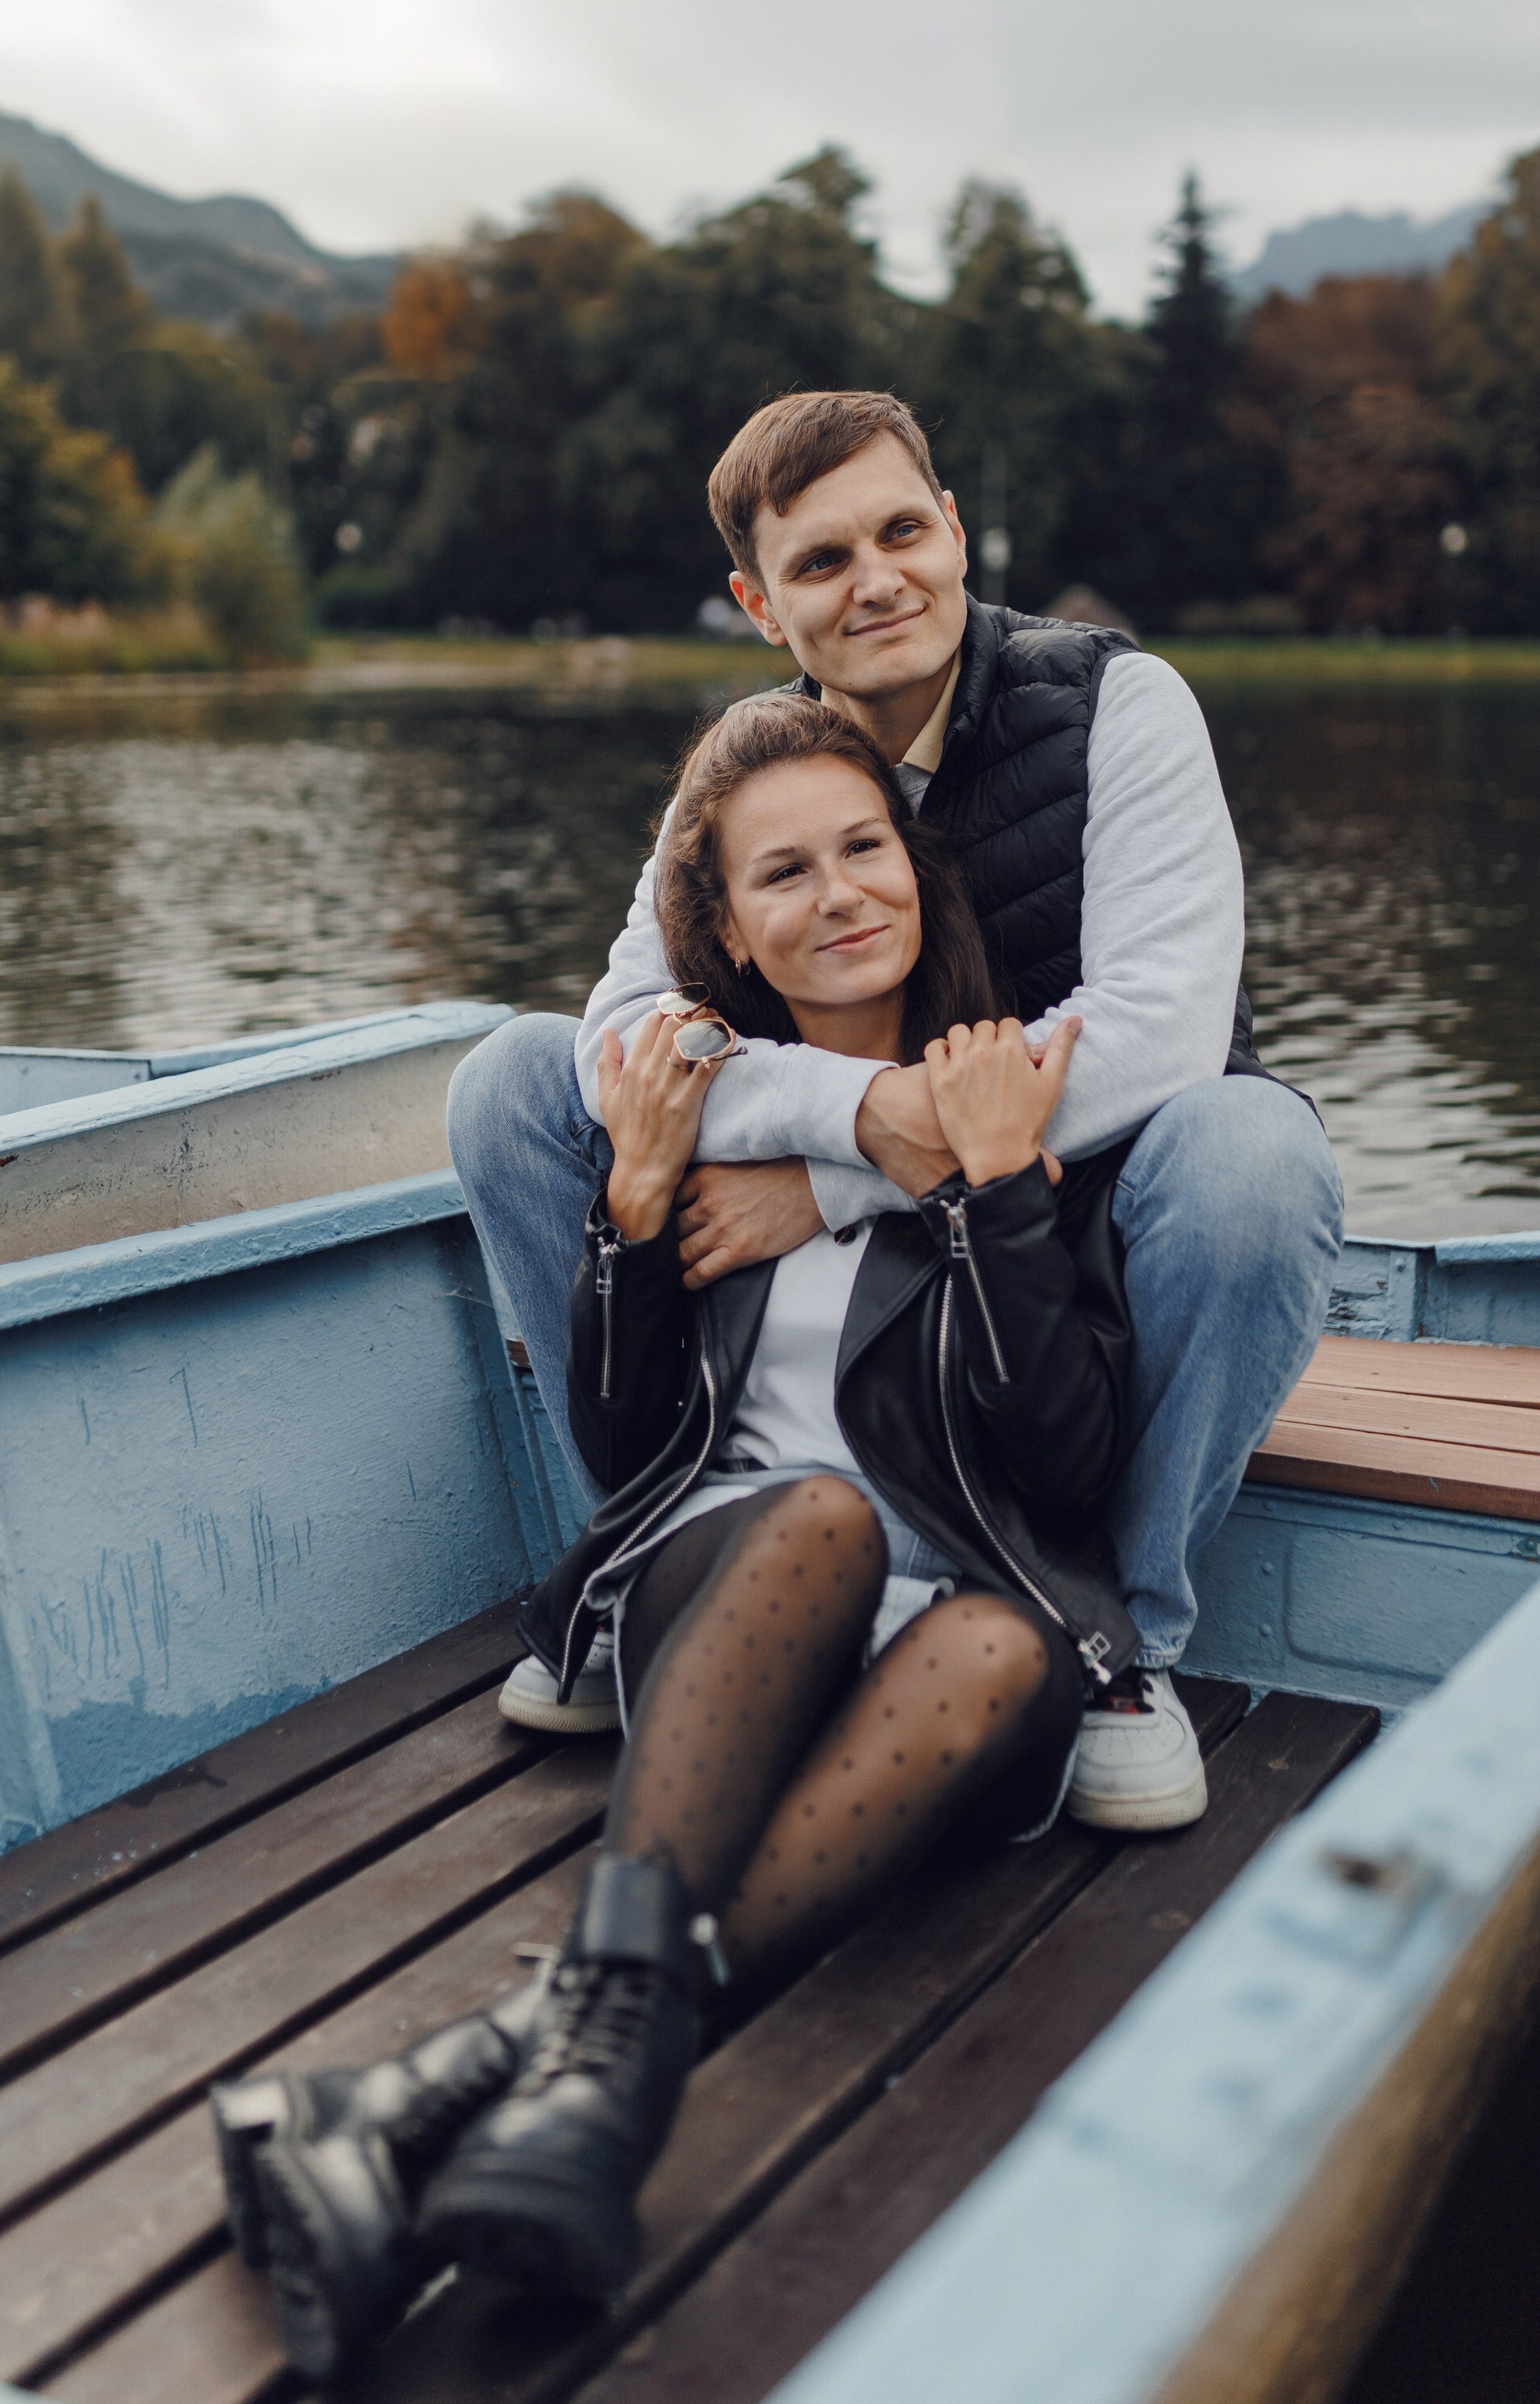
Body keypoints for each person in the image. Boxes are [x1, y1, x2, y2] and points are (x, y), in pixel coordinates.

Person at [218, 697, 1141, 2374]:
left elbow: (1067, 1471)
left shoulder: (1006, 1097)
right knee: (812, 1523)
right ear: (720, 925)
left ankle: (472, 2090)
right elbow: (630, 1433)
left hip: (946, 1640)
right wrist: (633, 1217)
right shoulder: (692, 1106)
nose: (839, 892)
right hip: (733, 1586)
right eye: (781, 871)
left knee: (1011, 1633)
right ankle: (537, 2103)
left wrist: (1001, 1192)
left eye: (863, 847)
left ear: (916, 869)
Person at [452, 388, 1344, 1830]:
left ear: (956, 532)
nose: (877, 581)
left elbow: (1165, 1034)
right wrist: (856, 1114)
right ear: (758, 602)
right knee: (508, 1082)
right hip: (827, 1244)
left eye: (901, 530)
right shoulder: (751, 764)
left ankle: (1125, 1645)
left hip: (1076, 1218)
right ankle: (636, 1557)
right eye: (819, 562)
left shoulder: (1123, 704)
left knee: (1257, 1153)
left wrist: (840, 1177)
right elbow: (625, 1032)